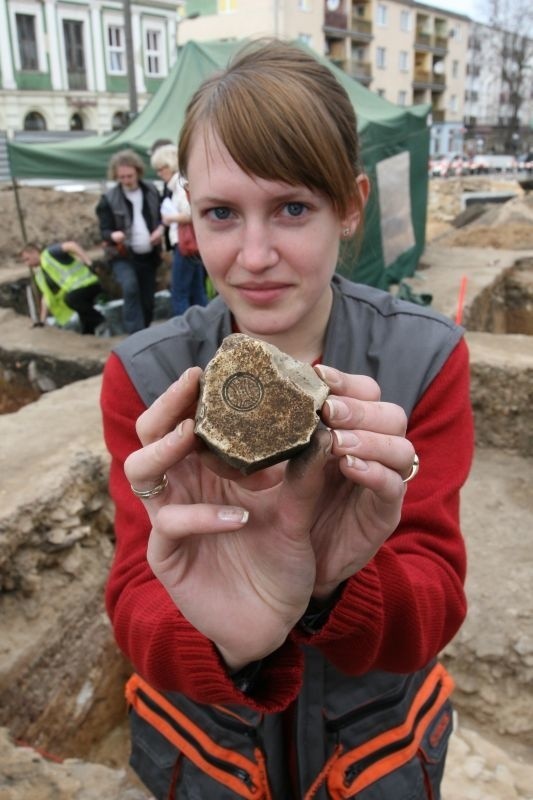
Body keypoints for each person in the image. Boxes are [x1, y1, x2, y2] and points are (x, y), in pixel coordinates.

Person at [100, 40, 474, 800]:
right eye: (221, 214)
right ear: (190, 220)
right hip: (212, 756)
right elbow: (133, 595)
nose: (255, 253)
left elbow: (436, 598)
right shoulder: (145, 377)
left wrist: (337, 585)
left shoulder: (424, 358)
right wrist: (228, 640)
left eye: (293, 207)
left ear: (350, 207)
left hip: (370, 754)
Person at [96, 149, 164, 334]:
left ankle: (145, 332)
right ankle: (136, 336)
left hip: (148, 255)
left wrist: (160, 230)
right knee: (130, 287)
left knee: (148, 299)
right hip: (122, 255)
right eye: (122, 177)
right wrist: (113, 236)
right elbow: (103, 231)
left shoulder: (151, 191)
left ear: (138, 172)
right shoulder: (109, 199)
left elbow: (162, 217)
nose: (126, 180)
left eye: (129, 176)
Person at [150, 143, 208, 315]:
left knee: (180, 292)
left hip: (184, 245)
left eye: (161, 169)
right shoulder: (184, 183)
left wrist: (170, 218)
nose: (159, 174)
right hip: (191, 245)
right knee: (197, 291)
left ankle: (184, 334)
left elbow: (191, 213)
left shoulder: (180, 187)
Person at [21, 240, 104, 334]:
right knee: (86, 327)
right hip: (75, 294)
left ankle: (100, 319)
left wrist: (89, 263)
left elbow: (72, 245)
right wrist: (42, 321)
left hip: (88, 283)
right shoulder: (40, 275)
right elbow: (46, 296)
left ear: (35, 252)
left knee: (71, 299)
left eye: (27, 259)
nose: (27, 264)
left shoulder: (49, 254)